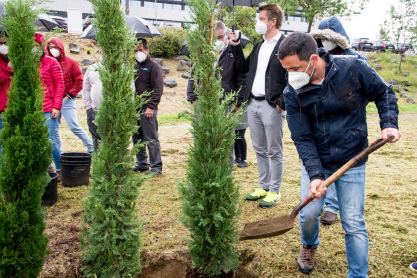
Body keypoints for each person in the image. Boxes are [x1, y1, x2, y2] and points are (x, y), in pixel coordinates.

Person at [278, 32, 400, 277]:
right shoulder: (293, 92)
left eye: (296, 68)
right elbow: (301, 136)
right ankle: (309, 245)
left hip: (352, 158)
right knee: (309, 213)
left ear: (314, 59)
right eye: (287, 70)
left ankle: (357, 274)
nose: (292, 75)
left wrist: (388, 122)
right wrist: (314, 174)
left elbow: (384, 93)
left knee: (353, 222)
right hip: (318, 159)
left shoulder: (353, 68)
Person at [309, 17, 368, 225]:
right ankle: (324, 203)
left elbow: (369, 90)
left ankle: (333, 206)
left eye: (330, 37)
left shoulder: (355, 60)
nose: (326, 41)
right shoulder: (313, 59)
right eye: (322, 37)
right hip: (321, 129)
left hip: (347, 129)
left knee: (341, 168)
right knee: (324, 166)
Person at [229, 4, 287, 208]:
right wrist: (236, 46)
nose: (259, 22)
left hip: (272, 105)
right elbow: (244, 67)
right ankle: (263, 186)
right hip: (252, 103)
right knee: (260, 148)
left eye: (262, 19)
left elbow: (292, 76)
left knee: (274, 150)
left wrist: (281, 103)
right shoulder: (258, 45)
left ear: (273, 21)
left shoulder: (285, 46)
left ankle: (275, 191)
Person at [187, 21, 247, 170]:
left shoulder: (234, 53)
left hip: (225, 105)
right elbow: (193, 76)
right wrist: (192, 98)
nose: (217, 41)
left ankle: (225, 177)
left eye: (220, 37)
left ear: (226, 35)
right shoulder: (203, 53)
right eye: (215, 38)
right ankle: (203, 175)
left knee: (226, 144)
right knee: (202, 141)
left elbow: (243, 77)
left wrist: (237, 103)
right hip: (203, 104)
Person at [46, 37, 93, 154]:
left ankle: (91, 146)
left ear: (60, 48)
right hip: (53, 101)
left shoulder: (71, 63)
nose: (53, 50)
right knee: (55, 129)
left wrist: (70, 95)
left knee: (74, 126)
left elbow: (79, 81)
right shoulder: (49, 63)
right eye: (50, 48)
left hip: (67, 100)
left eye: (55, 47)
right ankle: (58, 151)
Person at [34, 33, 65, 177]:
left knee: (49, 140)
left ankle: (61, 167)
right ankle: (48, 168)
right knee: (38, 140)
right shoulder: (27, 64)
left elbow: (60, 85)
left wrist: (56, 106)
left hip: (48, 108)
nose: (34, 49)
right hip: (33, 109)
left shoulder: (52, 62)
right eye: (31, 46)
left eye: (36, 46)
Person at [132, 38, 163, 175]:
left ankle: (156, 166)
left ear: (147, 50)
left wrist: (151, 106)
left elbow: (158, 88)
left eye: (140, 50)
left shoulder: (154, 66)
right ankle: (142, 163)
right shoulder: (135, 66)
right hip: (135, 108)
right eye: (135, 50)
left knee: (151, 138)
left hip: (147, 109)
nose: (138, 53)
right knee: (137, 138)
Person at [82, 51, 103, 153]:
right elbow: (85, 89)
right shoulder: (91, 69)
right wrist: (88, 108)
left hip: (113, 113)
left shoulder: (121, 69)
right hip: (94, 111)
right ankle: (98, 163)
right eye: (101, 51)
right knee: (96, 140)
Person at [0, 33, 13, 155]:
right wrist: (9, 69)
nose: (4, 46)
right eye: (1, 44)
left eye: (5, 43)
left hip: (9, 106)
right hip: (1, 108)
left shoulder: (7, 59)